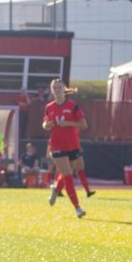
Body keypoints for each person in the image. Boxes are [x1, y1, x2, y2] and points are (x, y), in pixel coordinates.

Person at [42, 79, 88, 218]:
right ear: (52, 90)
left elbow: (84, 125)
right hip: (57, 146)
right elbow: (44, 124)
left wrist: (67, 123)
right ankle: (78, 208)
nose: (57, 90)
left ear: (64, 89)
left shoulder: (72, 106)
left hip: (73, 145)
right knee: (68, 176)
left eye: (59, 87)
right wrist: (47, 124)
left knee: (66, 174)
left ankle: (55, 188)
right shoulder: (49, 106)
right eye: (54, 87)